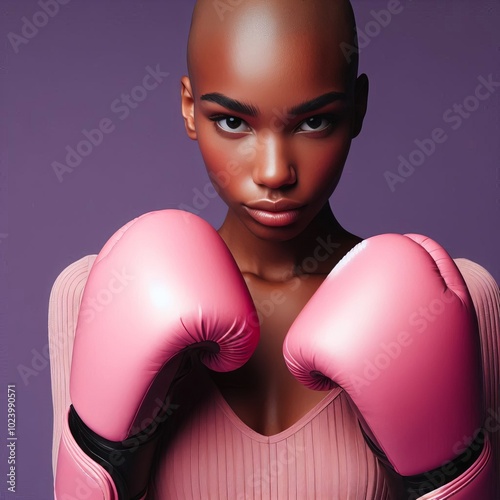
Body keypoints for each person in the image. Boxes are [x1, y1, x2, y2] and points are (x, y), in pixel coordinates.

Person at [50, 0, 498, 498]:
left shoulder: (459, 301)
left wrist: (443, 474)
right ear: (188, 107)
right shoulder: (98, 293)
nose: (273, 172)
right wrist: (111, 448)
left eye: (313, 122)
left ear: (358, 107)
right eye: (233, 122)